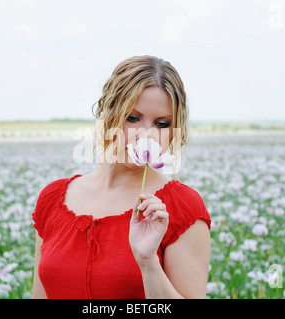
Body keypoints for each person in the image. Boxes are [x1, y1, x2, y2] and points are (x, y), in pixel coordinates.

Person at [31, 55, 211, 299]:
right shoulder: (52, 200)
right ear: (108, 115)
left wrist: (148, 262)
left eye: (162, 124)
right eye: (133, 118)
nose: (146, 135)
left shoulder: (182, 208)